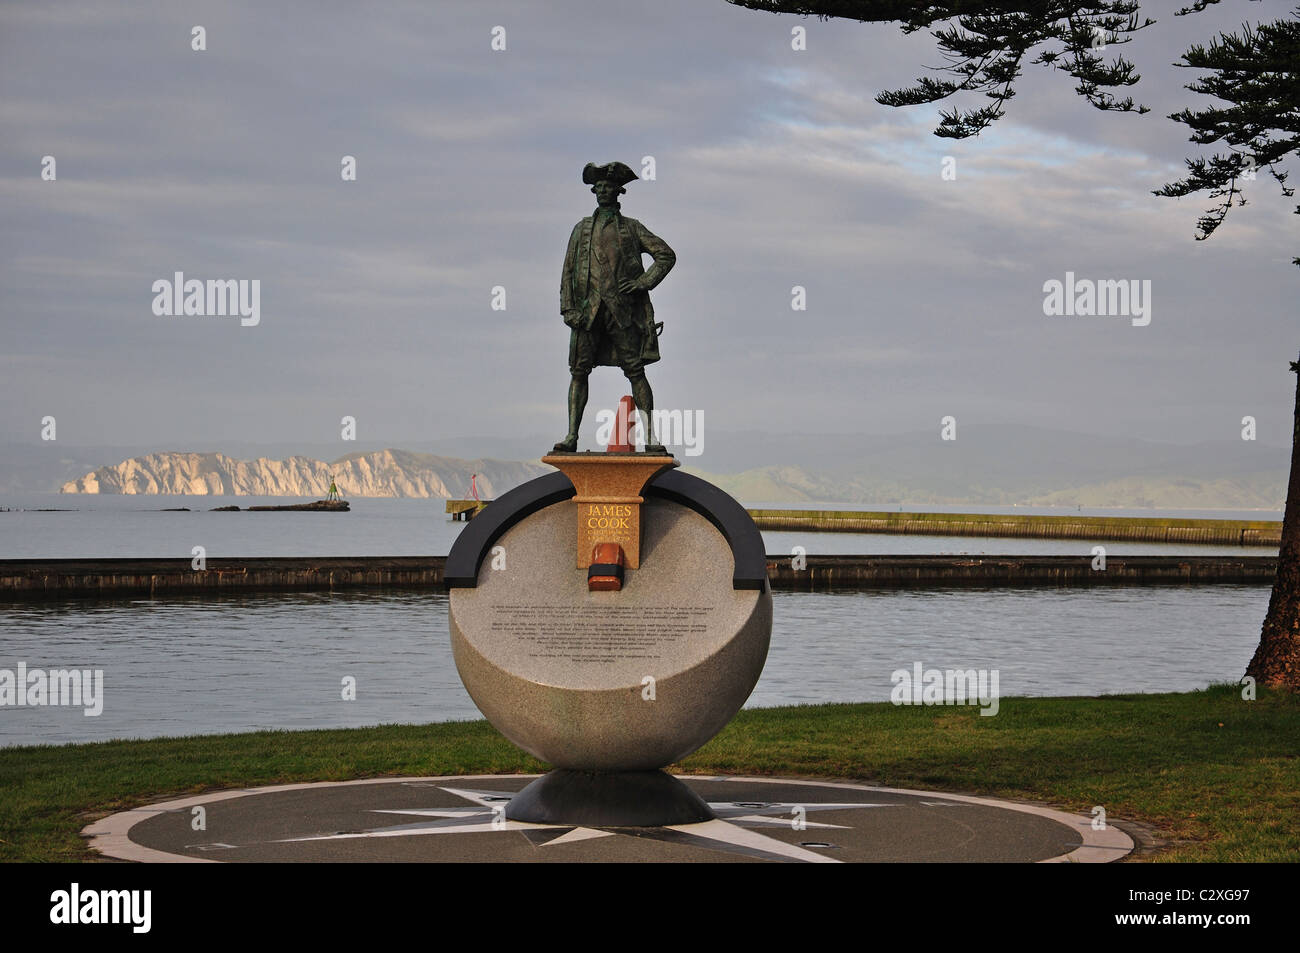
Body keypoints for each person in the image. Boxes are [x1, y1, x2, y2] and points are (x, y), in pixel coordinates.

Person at [553, 161, 676, 453]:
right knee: (579, 372)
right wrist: (569, 310)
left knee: (636, 372)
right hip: (588, 313)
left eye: (609, 188)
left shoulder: (632, 228)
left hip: (623, 313)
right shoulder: (581, 229)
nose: (603, 192)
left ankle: (651, 438)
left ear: (618, 192)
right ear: (594, 192)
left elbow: (666, 255)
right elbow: (568, 271)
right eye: (599, 188)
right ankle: (572, 436)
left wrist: (644, 282)